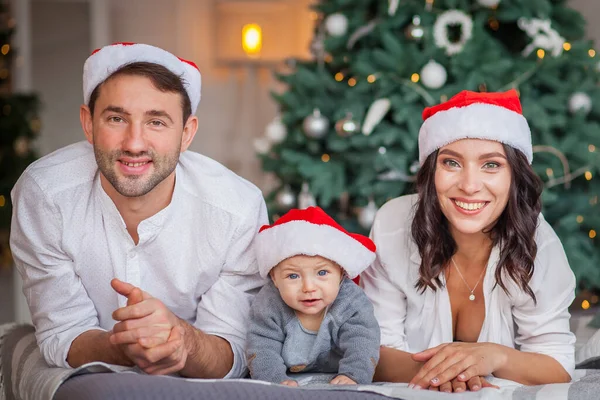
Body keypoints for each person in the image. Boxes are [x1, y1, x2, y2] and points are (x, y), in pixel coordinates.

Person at [10, 42, 268, 379]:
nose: (134, 143)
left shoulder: (237, 210)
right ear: (88, 123)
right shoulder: (45, 195)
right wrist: (124, 345)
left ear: (187, 133)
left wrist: (183, 341)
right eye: (116, 118)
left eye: (156, 122)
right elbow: (63, 332)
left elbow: (231, 350)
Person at [360, 89, 576, 392]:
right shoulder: (393, 225)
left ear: (514, 176)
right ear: (431, 172)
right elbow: (369, 351)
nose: (470, 186)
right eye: (451, 163)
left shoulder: (538, 243)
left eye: (491, 164)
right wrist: (456, 370)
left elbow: (557, 364)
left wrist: (494, 356)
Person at [247, 206, 380, 386]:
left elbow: (363, 340)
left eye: (322, 273)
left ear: (341, 273)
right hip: (287, 374)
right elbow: (262, 346)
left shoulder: (351, 301)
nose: (309, 287)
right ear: (274, 278)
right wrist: (275, 380)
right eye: (293, 276)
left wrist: (354, 375)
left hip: (339, 372)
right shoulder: (269, 303)